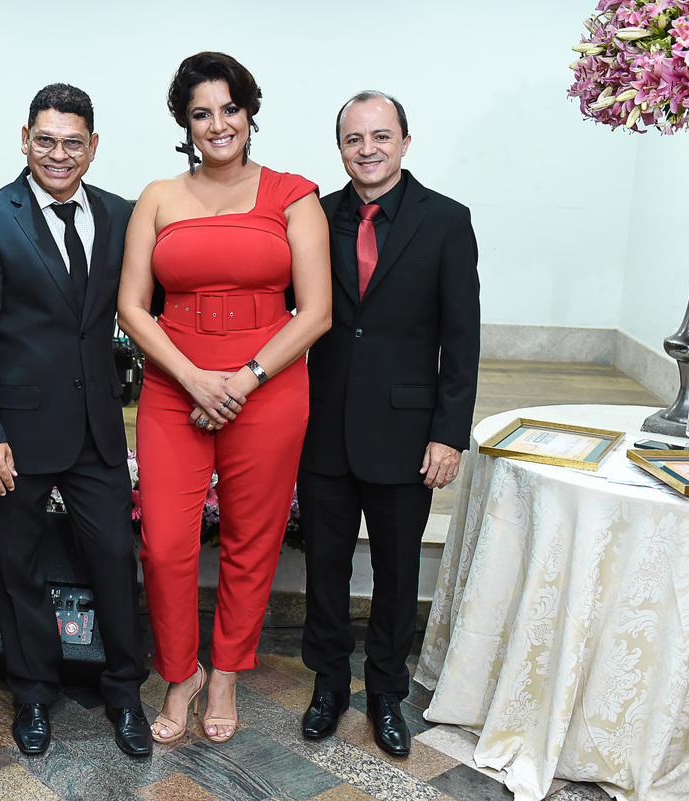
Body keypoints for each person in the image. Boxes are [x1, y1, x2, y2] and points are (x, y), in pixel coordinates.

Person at [117, 52, 332, 745]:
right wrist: (193, 378)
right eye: (201, 113)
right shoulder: (157, 196)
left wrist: (240, 380)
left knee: (252, 539)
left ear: (250, 113)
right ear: (185, 123)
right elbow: (131, 307)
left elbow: (317, 311)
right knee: (165, 545)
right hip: (173, 385)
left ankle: (227, 672)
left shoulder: (294, 195)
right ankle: (180, 673)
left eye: (230, 109)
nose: (218, 124)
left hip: (266, 387)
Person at [0, 84, 151, 757]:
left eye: (72, 143)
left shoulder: (121, 215)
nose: (58, 154)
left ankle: (125, 691)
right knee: (20, 568)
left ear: (92, 147)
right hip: (15, 432)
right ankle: (33, 693)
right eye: (45, 140)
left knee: (115, 559)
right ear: (24, 140)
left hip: (96, 427)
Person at [299, 91, 480, 756]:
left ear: (405, 142)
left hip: (407, 434)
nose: (367, 149)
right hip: (323, 427)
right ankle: (328, 686)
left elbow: (462, 338)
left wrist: (449, 433)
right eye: (354, 138)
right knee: (324, 568)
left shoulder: (447, 221)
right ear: (340, 148)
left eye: (380, 136)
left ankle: (385, 691)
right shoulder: (314, 218)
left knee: (398, 574)